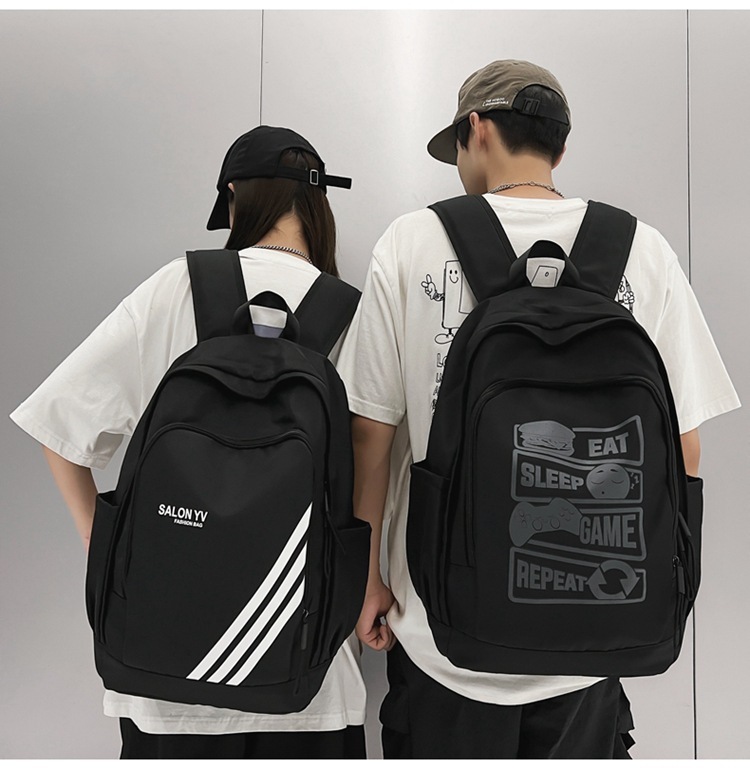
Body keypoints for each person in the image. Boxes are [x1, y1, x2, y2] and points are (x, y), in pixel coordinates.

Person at [336, 59, 741, 759]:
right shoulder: (642, 250)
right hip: (596, 633)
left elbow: (369, 434)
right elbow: (685, 449)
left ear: (476, 129)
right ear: (561, 145)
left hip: (443, 634)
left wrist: (365, 578)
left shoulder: (412, 241)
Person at [10, 125, 367, 760]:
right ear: (319, 205)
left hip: (161, 685)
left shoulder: (177, 286)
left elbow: (58, 427)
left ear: (234, 198)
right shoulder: (355, 313)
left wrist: (104, 541)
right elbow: (374, 488)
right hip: (306, 683)